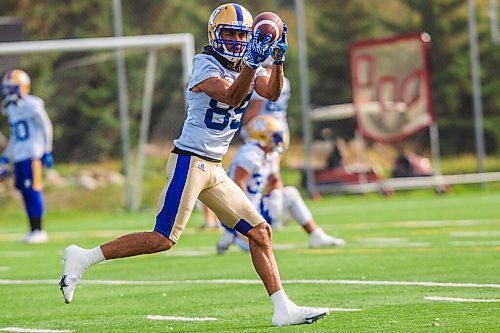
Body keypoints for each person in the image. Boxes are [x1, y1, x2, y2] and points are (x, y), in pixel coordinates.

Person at [59, 3, 328, 327]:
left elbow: (270, 92)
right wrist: (254, 62)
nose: (236, 40)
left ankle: (282, 308)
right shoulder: (204, 64)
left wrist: (279, 60)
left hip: (214, 168)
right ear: (215, 35)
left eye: (241, 35)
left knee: (260, 232)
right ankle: (83, 257)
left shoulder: (249, 64)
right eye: (229, 33)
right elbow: (230, 95)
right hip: (190, 161)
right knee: (163, 238)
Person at [217, 115, 345, 254]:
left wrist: (276, 197)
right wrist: (247, 213)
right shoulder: (250, 154)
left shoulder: (268, 153)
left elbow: (275, 180)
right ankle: (233, 234)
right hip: (239, 210)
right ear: (261, 136)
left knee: (290, 193)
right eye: (274, 136)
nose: (278, 140)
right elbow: (238, 183)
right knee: (257, 249)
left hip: (256, 206)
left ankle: (316, 236)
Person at [0, 69, 53, 244]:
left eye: (12, 88)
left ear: (23, 88)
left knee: (33, 190)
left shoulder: (33, 104)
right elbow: (16, 136)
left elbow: (46, 127)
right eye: (6, 88)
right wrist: (7, 156)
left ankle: (39, 230)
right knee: (23, 191)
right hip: (20, 156)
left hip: (32, 155)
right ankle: (32, 230)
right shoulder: (12, 109)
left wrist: (47, 150)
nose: (8, 92)